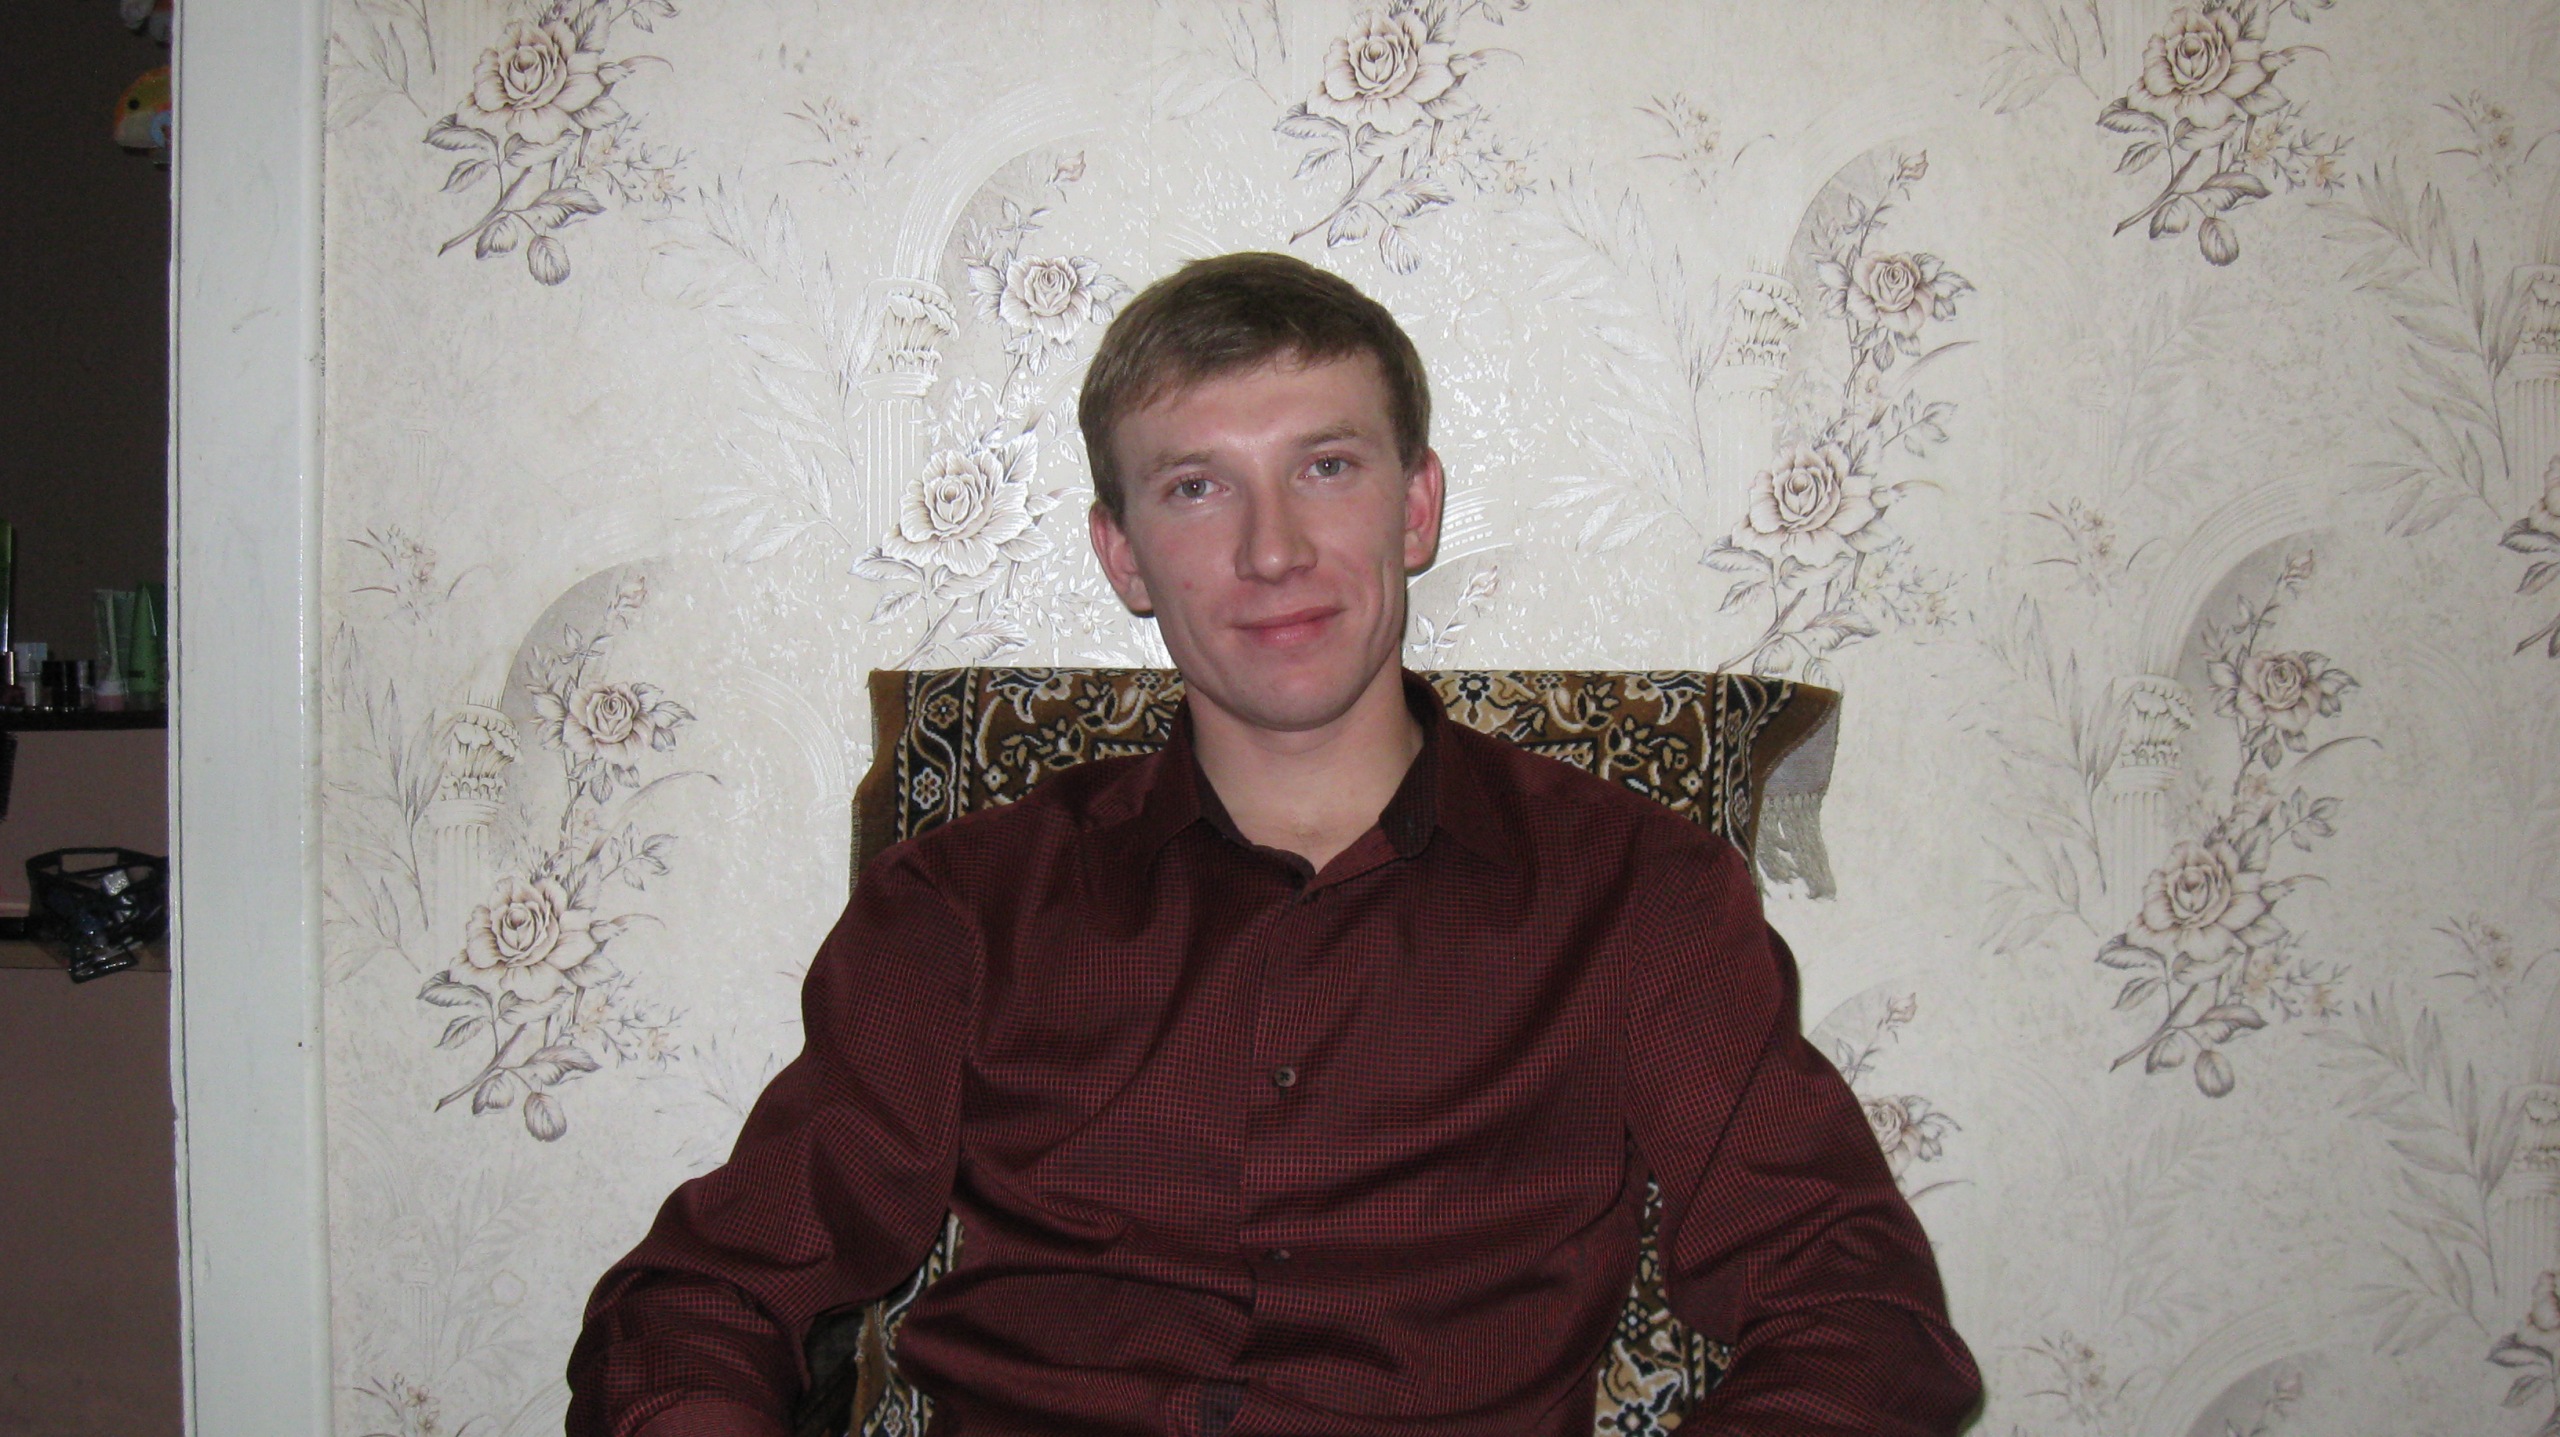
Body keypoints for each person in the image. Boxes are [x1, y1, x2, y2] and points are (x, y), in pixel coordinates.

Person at [566, 252, 1981, 1437]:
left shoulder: (1633, 894)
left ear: (1415, 506)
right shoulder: (966, 905)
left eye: (1326, 467)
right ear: (1122, 554)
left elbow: (1857, 1315)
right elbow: (699, 1299)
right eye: (1196, 487)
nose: (1273, 550)